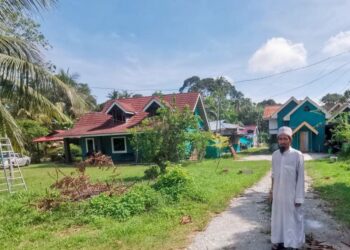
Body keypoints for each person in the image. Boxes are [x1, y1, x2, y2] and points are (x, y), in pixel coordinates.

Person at [270, 126, 305, 250]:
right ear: (278, 140)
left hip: (292, 194)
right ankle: (279, 241)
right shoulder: (275, 155)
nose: (283, 141)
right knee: (278, 219)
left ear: (290, 140)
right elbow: (273, 175)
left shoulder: (297, 155)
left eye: (285, 139)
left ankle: (292, 244)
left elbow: (301, 178)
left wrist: (299, 198)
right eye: (280, 139)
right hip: (278, 194)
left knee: (292, 220)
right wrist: (271, 192)